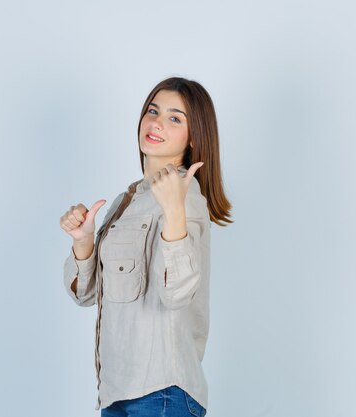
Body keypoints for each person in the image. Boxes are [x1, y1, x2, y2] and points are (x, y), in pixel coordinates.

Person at [60, 77, 232, 417]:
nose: (156, 123)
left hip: (163, 392)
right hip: (117, 392)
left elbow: (177, 293)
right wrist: (83, 242)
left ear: (194, 137)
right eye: (153, 111)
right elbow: (87, 295)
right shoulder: (126, 201)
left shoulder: (186, 199)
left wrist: (173, 210)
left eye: (174, 118)